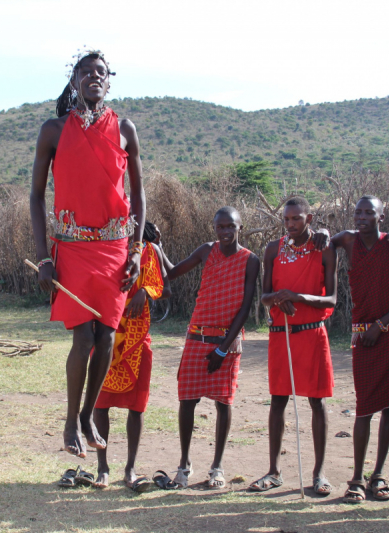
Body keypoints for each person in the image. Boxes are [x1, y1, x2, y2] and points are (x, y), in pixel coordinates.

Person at [30, 49, 145, 458]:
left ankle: (86, 417)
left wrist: (136, 251)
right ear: (74, 79)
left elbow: (138, 196)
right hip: (72, 249)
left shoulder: (125, 129)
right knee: (82, 339)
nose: (94, 77)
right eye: (86, 72)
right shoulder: (54, 130)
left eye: (101, 73)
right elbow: (36, 197)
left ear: (109, 81)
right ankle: (69, 422)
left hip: (114, 249)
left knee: (107, 336)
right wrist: (44, 257)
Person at [322, 196, 389, 503]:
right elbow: (327, 241)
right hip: (364, 336)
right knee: (363, 406)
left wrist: (381, 324)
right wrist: (324, 236)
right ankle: (356, 479)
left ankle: (378, 475)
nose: (362, 217)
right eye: (358, 212)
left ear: (381, 215)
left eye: (369, 212)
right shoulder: (348, 241)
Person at [158, 207, 259, 490]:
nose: (225, 232)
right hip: (197, 336)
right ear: (214, 228)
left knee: (224, 403)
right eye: (220, 227)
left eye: (231, 227)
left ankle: (216, 468)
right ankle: (184, 464)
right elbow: (173, 272)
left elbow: (245, 309)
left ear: (241, 227)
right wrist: (158, 246)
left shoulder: (250, 260)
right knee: (187, 401)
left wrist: (223, 349)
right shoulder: (206, 251)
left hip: (227, 342)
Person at [254, 196, 338, 496]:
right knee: (278, 400)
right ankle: (274, 471)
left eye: (296, 219)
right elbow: (264, 297)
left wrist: (298, 298)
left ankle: (319, 474)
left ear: (309, 219)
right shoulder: (273, 249)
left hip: (313, 333)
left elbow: (332, 300)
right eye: (287, 220)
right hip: (281, 333)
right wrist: (279, 298)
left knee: (317, 401)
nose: (290, 225)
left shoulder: (324, 249)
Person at [91, 221, 171, 491]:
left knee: (137, 407)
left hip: (137, 336)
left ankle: (130, 468)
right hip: (106, 333)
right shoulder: (104, 248)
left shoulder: (149, 250)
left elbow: (161, 286)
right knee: (100, 403)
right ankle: (102, 467)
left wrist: (146, 292)